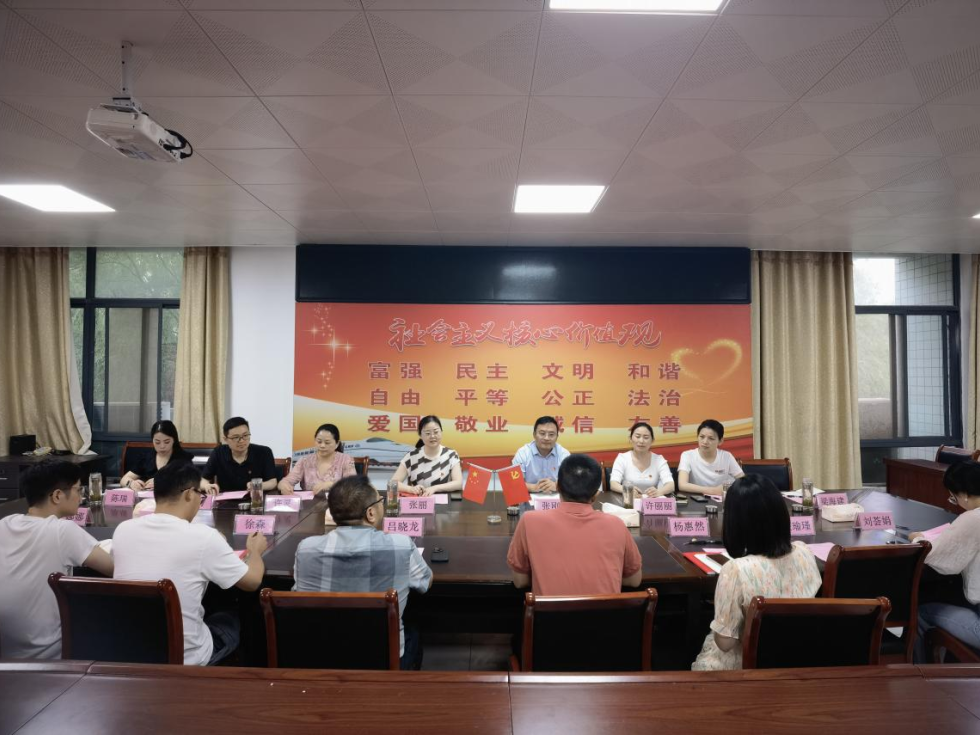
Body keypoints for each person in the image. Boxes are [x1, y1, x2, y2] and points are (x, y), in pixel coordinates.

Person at [112, 462, 267, 665]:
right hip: (185, 658)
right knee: (233, 616)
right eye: (200, 495)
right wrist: (255, 551)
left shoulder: (123, 530)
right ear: (188, 495)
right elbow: (252, 582)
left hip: (131, 653)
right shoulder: (203, 537)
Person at [293, 475, 432, 669]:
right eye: (380, 501)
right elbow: (425, 582)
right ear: (371, 513)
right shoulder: (400, 545)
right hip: (385, 660)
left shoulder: (306, 549)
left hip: (322, 659)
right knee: (414, 629)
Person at [692, 474, 821, 671]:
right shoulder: (805, 552)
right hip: (799, 658)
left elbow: (725, 643)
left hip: (749, 666)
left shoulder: (736, 570)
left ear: (735, 523)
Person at [0, 461, 114, 659]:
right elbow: (114, 568)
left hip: (6, 654)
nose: (81, 497)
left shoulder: (5, 523)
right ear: (57, 496)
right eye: (78, 490)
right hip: (48, 656)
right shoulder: (62, 530)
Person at [507, 454, 642, 595]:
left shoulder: (529, 521)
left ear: (558, 486)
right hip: (604, 610)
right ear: (596, 495)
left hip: (547, 610)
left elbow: (520, 581)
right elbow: (634, 580)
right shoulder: (616, 525)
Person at [910, 461, 980, 662]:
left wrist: (917, 538)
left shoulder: (973, 518)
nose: (955, 502)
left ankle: (924, 675)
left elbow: (938, 557)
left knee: (918, 612)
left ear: (964, 494)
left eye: (953, 497)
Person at [390, 416, 462, 496]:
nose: (432, 436)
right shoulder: (411, 457)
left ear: (441, 432)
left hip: (444, 502)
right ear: (420, 435)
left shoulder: (451, 455)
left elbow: (458, 483)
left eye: (436, 432)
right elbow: (392, 484)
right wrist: (410, 489)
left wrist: (434, 488)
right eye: (428, 433)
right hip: (419, 502)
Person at [201, 417, 277, 493]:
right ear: (226, 439)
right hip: (227, 499)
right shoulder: (218, 453)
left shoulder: (264, 452)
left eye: (245, 435)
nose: (242, 441)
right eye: (236, 437)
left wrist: (256, 485)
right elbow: (203, 480)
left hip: (255, 498)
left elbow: (273, 482)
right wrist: (207, 486)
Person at [278, 423, 356, 496]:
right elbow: (286, 481)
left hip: (337, 503)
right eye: (319, 441)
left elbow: (353, 483)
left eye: (327, 443)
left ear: (337, 444)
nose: (322, 445)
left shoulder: (345, 459)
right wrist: (284, 486)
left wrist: (330, 484)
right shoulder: (305, 461)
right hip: (309, 504)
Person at [120, 420, 194, 491]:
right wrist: (131, 483)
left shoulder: (183, 458)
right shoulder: (146, 458)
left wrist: (162, 482)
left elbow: (191, 482)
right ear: (152, 440)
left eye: (167, 442)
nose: (162, 446)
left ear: (174, 440)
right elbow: (124, 479)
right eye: (157, 442)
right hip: (146, 498)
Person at [678, 419, 744, 497]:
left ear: (720, 441)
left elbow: (743, 480)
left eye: (711, 438)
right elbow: (682, 485)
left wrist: (727, 489)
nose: (705, 442)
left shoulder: (726, 456)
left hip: (722, 500)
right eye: (702, 437)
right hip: (697, 499)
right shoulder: (687, 455)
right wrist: (713, 491)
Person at [610, 422, 675, 499]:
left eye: (646, 437)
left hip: (651, 503)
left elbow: (671, 485)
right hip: (628, 502)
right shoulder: (622, 458)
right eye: (637, 436)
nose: (641, 441)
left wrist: (659, 492)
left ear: (652, 441)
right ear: (630, 439)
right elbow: (613, 484)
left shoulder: (659, 459)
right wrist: (627, 490)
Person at [512, 416, 570, 495]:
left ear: (557, 437)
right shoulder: (523, 453)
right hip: (529, 498)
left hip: (557, 498)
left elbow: (572, 481)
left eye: (551, 434)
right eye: (542, 433)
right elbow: (514, 482)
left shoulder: (564, 454)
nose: (546, 438)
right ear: (534, 435)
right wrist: (533, 487)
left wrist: (557, 486)